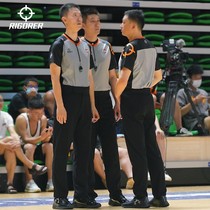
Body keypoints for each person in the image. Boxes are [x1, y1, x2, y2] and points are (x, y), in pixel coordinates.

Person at [115, 9, 169, 208]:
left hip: (132, 99)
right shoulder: (151, 46)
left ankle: (140, 197)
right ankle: (160, 196)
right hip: (147, 98)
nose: (120, 25)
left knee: (137, 151)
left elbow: (123, 79)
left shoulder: (130, 47)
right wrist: (145, 86)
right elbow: (158, 76)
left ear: (133, 25)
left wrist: (116, 98)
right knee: (152, 150)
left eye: (123, 22)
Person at [49, 3, 100, 209]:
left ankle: (82, 195)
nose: (80, 18)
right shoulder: (59, 44)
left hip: (84, 100)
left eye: (80, 15)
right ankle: (60, 197)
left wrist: (93, 105)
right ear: (64, 19)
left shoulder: (86, 45)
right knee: (61, 150)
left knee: (85, 150)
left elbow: (89, 76)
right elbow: (54, 78)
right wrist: (60, 106)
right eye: (75, 15)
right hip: (67, 97)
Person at [81, 7, 128, 206]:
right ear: (83, 24)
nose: (97, 24)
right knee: (86, 150)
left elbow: (112, 76)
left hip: (104, 99)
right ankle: (87, 193)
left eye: (98, 20)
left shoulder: (107, 46)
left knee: (110, 149)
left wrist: (117, 101)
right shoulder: (77, 45)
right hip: (84, 101)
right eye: (92, 20)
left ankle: (115, 193)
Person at [0, 94, 47, 193]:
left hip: (3, 147)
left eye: (1, 100)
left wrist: (16, 140)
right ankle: (32, 166)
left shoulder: (5, 116)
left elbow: (13, 132)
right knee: (10, 141)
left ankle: (9, 184)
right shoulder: (22, 118)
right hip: (4, 144)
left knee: (11, 150)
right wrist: (8, 143)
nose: (0, 103)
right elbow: (23, 139)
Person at [15, 96, 54, 193]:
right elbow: (26, 139)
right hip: (21, 151)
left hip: (36, 147)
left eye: (41, 113)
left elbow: (44, 141)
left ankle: (50, 181)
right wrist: (41, 137)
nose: (39, 116)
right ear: (29, 111)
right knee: (30, 147)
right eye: (36, 113)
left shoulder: (43, 119)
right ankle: (29, 182)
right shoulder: (22, 119)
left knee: (49, 146)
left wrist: (48, 136)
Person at [177, 64, 210, 135]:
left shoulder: (203, 92)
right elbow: (180, 113)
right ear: (189, 78)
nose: (198, 79)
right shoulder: (182, 92)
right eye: (195, 77)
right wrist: (194, 101)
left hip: (205, 118)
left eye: (200, 77)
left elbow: (207, 110)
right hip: (193, 122)